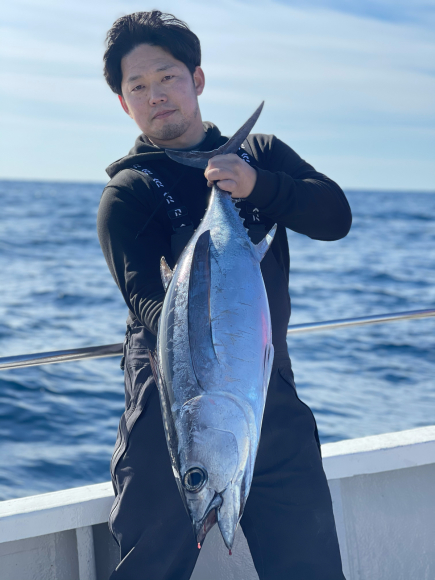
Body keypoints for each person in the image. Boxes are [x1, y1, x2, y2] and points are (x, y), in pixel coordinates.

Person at [97, 10, 352, 580]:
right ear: (124, 103)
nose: (155, 95)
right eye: (137, 86)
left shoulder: (258, 155)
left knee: (309, 567)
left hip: (271, 393)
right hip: (172, 402)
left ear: (197, 80)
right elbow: (146, 301)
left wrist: (261, 185)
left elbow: (335, 217)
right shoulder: (128, 192)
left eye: (167, 77)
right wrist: (203, 337)